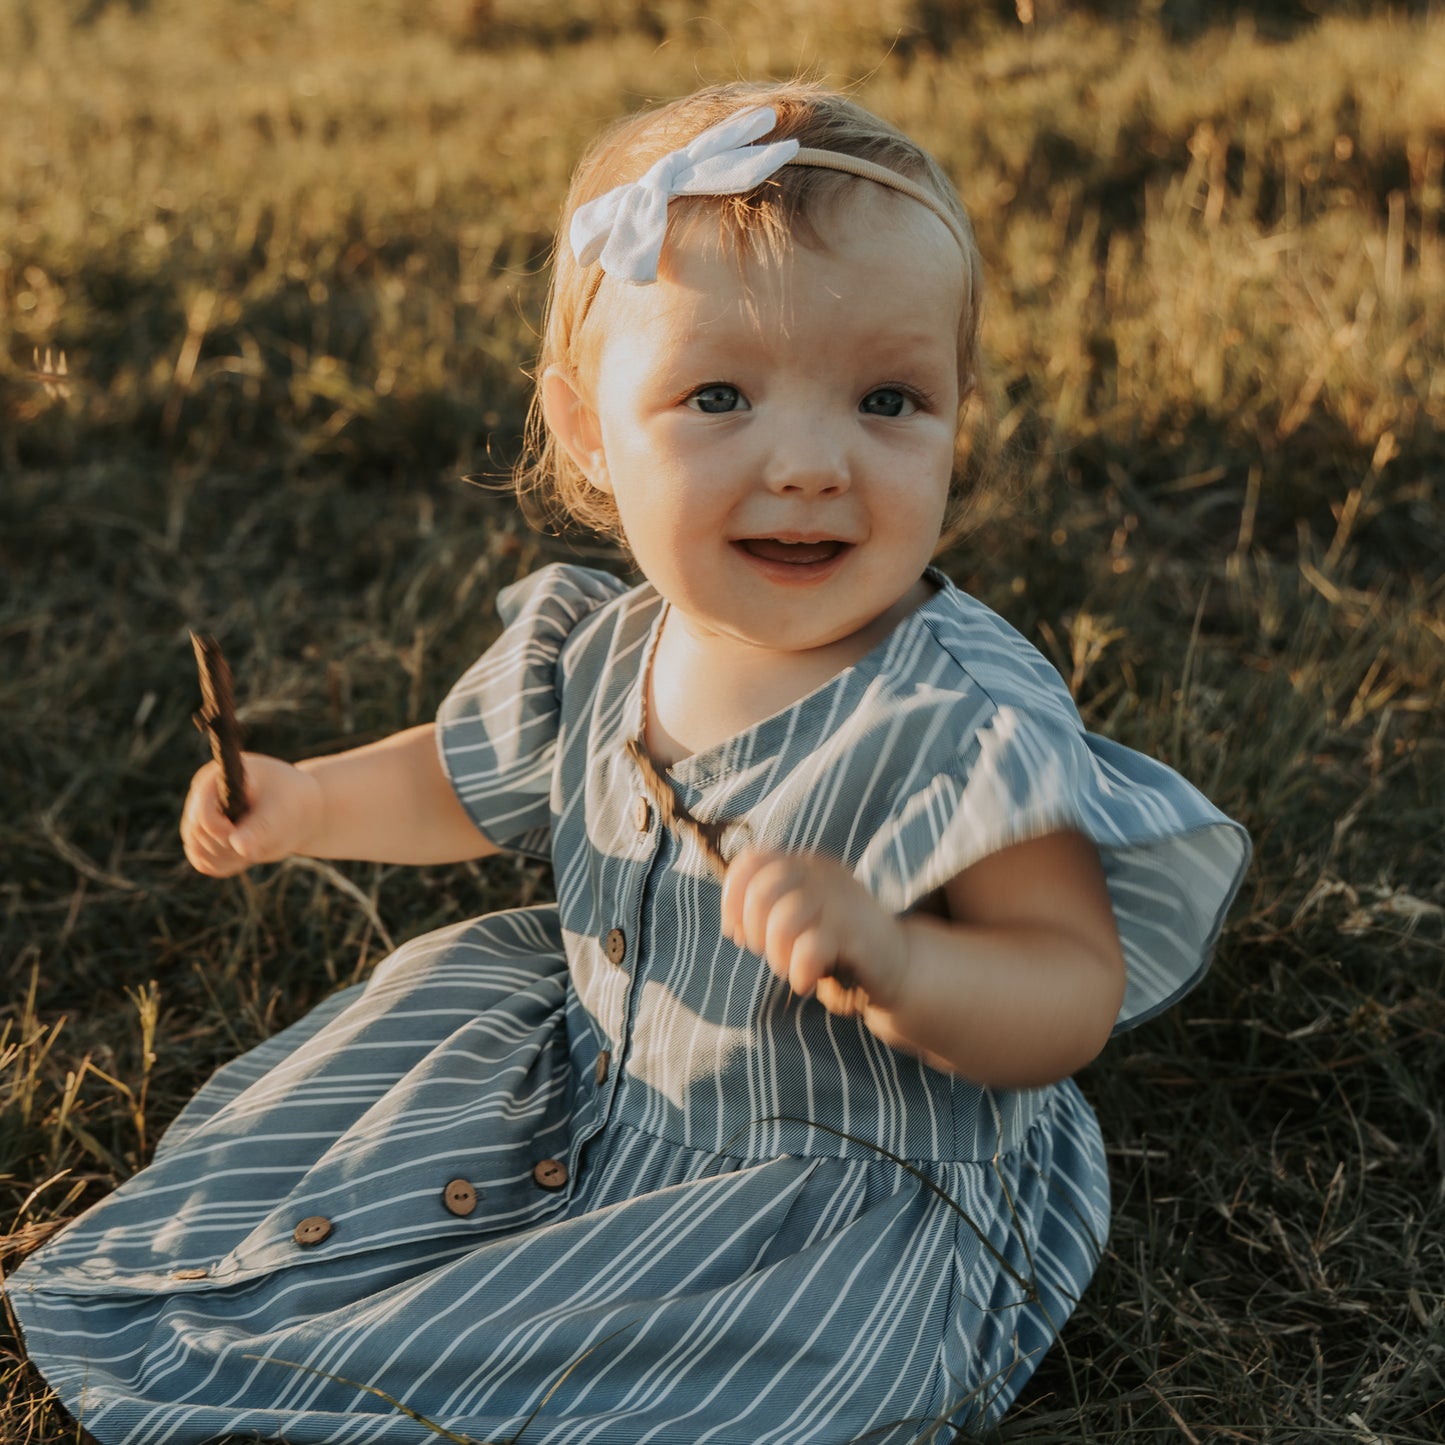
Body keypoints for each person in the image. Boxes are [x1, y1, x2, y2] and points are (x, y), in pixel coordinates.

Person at [8, 82, 1250, 1444]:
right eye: (717, 394)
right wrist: (310, 802)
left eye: (887, 399)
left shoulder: (959, 713)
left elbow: (1065, 984)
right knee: (336, 1200)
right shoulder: (600, 645)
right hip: (597, 1066)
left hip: (824, 1179)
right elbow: (462, 777)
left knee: (643, 1385)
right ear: (590, 426)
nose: (807, 462)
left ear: (959, 414)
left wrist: (904, 965)